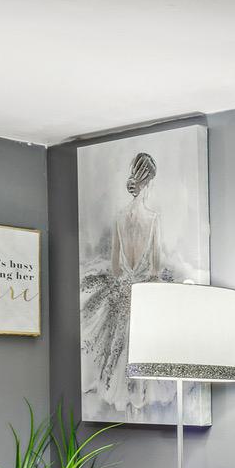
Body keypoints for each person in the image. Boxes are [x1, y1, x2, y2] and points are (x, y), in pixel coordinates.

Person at [80, 152, 168, 413]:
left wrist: (126, 283)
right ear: (149, 182)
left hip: (123, 291)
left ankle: (124, 396)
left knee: (120, 347)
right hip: (143, 294)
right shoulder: (153, 219)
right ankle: (139, 397)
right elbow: (155, 267)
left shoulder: (119, 217)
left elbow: (116, 266)